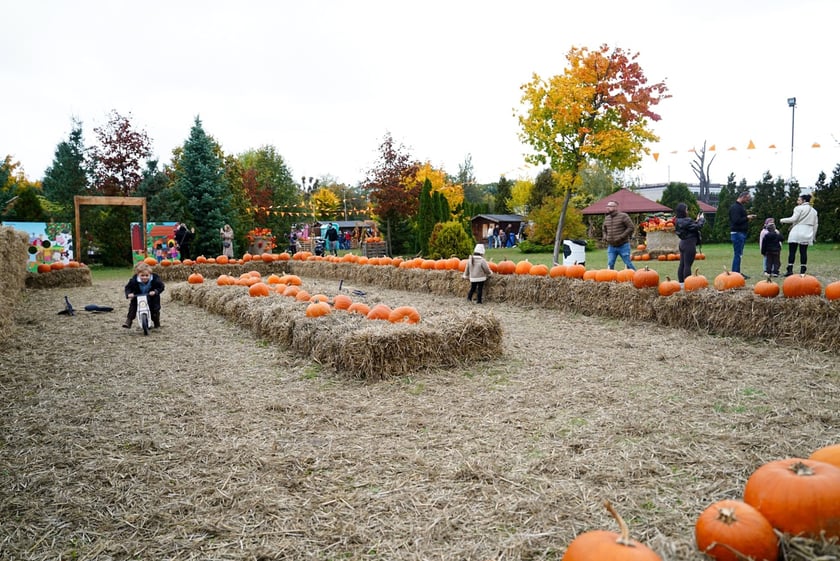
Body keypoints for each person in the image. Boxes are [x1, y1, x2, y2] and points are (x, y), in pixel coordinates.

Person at [780, 193, 819, 276]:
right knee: (803, 252)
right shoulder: (814, 211)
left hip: (797, 231)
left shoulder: (798, 208)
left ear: (804, 200)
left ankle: (790, 270)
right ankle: (803, 270)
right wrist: (814, 236)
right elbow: (816, 224)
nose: (797, 201)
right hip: (807, 232)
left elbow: (794, 219)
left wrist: (782, 220)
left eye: (799, 200)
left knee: (792, 252)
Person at [123, 261, 165, 329]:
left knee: (154, 310)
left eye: (146, 275)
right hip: (137, 296)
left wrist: (155, 291)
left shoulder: (155, 279)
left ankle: (156, 323)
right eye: (142, 275)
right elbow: (128, 287)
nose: (144, 277)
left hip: (151, 297)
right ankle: (129, 321)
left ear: (150, 274)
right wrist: (129, 294)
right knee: (133, 308)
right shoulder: (134, 280)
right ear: (138, 274)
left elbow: (161, 286)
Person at [674, 202, 705, 284]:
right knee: (687, 265)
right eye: (686, 210)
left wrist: (697, 220)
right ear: (683, 211)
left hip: (683, 243)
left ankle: (681, 284)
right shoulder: (687, 221)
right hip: (689, 244)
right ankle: (687, 283)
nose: (687, 211)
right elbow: (698, 227)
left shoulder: (678, 220)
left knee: (682, 265)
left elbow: (691, 227)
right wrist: (701, 219)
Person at [602, 200, 636, 271]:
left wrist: (621, 237)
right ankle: (610, 279)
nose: (607, 207)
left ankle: (637, 276)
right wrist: (605, 237)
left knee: (628, 263)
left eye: (610, 206)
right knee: (610, 263)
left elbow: (631, 227)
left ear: (615, 207)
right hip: (611, 246)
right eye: (607, 206)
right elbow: (604, 229)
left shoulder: (623, 216)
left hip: (623, 245)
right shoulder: (607, 218)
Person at [728, 191, 756, 278]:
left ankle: (737, 273)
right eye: (747, 198)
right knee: (738, 254)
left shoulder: (739, 207)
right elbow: (736, 221)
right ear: (743, 197)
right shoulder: (736, 208)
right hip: (738, 233)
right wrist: (747, 218)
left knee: (739, 254)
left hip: (740, 233)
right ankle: (736, 274)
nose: (748, 201)